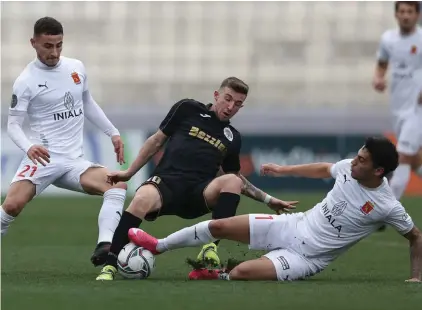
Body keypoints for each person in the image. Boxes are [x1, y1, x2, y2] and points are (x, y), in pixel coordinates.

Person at [128, 137, 422, 283]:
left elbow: (416, 237)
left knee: (241, 272)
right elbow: (324, 168)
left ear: (379, 170)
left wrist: (416, 277)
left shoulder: (387, 205)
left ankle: (215, 274)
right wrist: (284, 169)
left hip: (306, 258)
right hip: (293, 225)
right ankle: (157, 246)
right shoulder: (349, 168)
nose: (354, 162)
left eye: (362, 161)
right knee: (219, 226)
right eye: (356, 157)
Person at [96, 77, 297, 280]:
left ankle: (210, 248)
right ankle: (110, 265)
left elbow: (237, 178)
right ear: (216, 95)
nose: (230, 107)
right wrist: (129, 173)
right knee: (141, 198)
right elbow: (156, 140)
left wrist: (268, 200)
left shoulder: (232, 137)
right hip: (165, 185)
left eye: (237, 104)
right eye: (227, 99)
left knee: (232, 180)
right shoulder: (187, 108)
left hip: (198, 193)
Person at [1, 16, 127, 267]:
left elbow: (87, 102)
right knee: (12, 206)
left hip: (73, 161)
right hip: (43, 159)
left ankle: (105, 245)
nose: (55, 52)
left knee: (118, 186)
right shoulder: (26, 81)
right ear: (34, 43)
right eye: (48, 46)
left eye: (59, 45)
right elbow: (13, 125)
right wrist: (29, 147)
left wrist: (112, 132)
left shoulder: (75, 67)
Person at [373, 1, 422, 201]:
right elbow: (382, 63)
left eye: (410, 11)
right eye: (402, 11)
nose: (405, 15)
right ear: (396, 15)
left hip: (418, 108)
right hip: (398, 107)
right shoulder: (388, 39)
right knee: (414, 159)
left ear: (417, 15)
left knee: (402, 155)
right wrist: (378, 77)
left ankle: (385, 208)